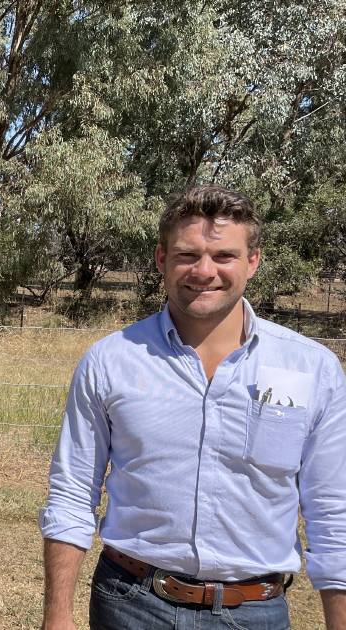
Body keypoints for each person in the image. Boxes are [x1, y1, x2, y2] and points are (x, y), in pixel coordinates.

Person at [39, 185, 346, 629]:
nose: (204, 271)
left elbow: (333, 510)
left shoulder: (312, 368)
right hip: (129, 604)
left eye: (223, 256)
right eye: (187, 255)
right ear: (162, 259)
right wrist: (57, 616)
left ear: (252, 261)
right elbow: (71, 493)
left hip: (255, 613)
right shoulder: (110, 361)